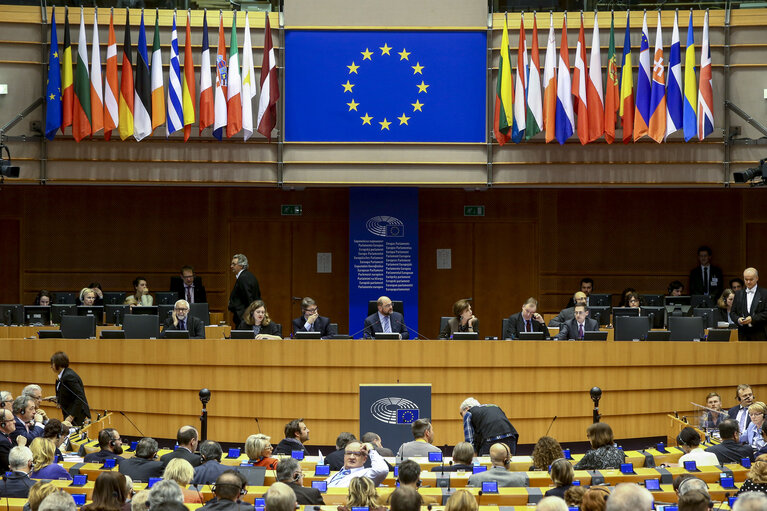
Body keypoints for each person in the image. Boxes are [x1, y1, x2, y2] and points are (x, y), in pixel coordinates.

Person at [50, 351, 91, 425]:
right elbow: (69, 394)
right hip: (70, 413)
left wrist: (71, 417)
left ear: (58, 363)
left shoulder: (69, 376)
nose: (51, 366)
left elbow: (79, 396)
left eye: (52, 363)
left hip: (77, 415)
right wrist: (57, 398)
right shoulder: (64, 375)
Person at [731, 268, 767, 341]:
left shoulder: (764, 293)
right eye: (746, 279)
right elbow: (732, 312)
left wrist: (752, 319)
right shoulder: (738, 294)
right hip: (742, 334)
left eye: (751, 279)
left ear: (757, 278)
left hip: (759, 333)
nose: (748, 282)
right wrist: (738, 319)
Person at [228, 254, 261, 327]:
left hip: (244, 318)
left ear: (241, 266)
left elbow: (248, 298)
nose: (231, 266)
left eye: (234, 264)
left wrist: (250, 316)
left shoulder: (243, 278)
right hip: (246, 317)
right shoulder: (248, 276)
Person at [0, 408, 17, 472]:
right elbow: (12, 464)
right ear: (2, 424)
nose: (14, 422)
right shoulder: (3, 441)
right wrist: (21, 446)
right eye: (11, 420)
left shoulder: (6, 436)